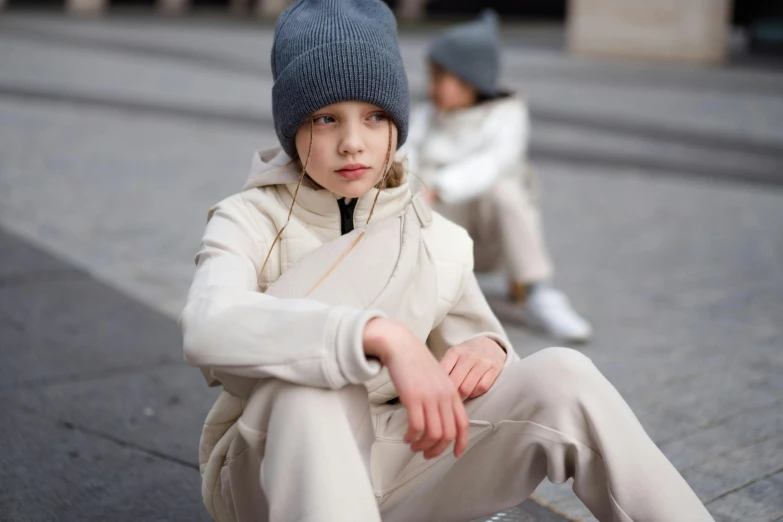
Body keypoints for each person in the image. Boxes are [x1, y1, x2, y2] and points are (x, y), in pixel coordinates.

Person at [179, 1, 713, 521]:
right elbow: (208, 323)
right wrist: (376, 334)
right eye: (325, 119)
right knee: (312, 393)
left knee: (563, 375)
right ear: (290, 125)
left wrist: (488, 350)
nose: (352, 143)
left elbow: (480, 350)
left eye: (375, 116)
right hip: (270, 471)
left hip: (402, 460)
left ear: (398, 124)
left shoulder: (440, 237)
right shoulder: (247, 218)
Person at [403, 11, 592, 343]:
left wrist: (438, 187)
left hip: (489, 234)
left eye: (438, 79)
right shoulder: (427, 116)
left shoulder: (507, 116)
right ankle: (411, 290)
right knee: (404, 191)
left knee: (503, 189)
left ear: (468, 80)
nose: (430, 88)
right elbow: (408, 152)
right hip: (439, 228)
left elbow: (490, 164)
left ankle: (536, 290)